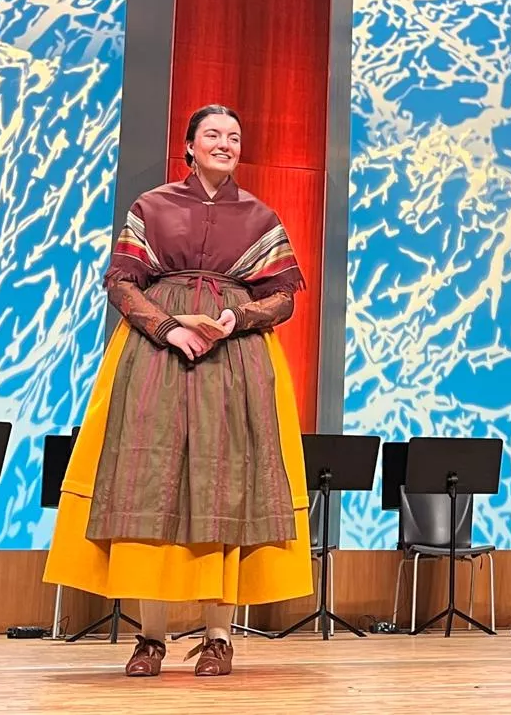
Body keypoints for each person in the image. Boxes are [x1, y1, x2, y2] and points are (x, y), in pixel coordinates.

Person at [44, 104, 313, 678]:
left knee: (227, 484)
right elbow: (121, 281)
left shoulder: (260, 216)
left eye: (234, 136)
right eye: (212, 135)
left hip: (235, 358)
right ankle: (151, 637)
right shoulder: (154, 205)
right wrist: (169, 327)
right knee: (151, 483)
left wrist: (234, 320)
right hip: (157, 354)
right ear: (188, 146)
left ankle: (219, 637)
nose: (225, 143)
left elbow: (284, 297)